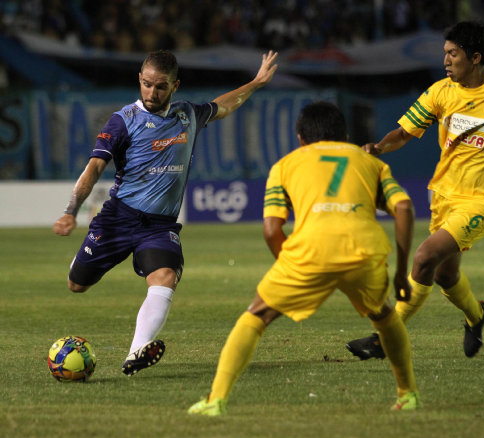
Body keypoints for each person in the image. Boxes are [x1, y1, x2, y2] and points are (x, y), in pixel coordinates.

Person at [53, 49, 278, 376]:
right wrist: (70, 210)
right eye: (146, 84)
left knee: (165, 277)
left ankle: (135, 354)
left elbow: (226, 104)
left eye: (160, 87)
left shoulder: (188, 114)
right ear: (139, 80)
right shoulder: (123, 121)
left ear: (175, 85)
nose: (152, 93)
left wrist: (256, 82)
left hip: (158, 226)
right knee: (77, 284)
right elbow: (94, 168)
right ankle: (84, 262)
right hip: (118, 218)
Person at [188, 101, 420, 416]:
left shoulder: (285, 165)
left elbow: (272, 229)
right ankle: (408, 395)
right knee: (384, 315)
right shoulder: (369, 161)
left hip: (308, 252)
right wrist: (401, 271)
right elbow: (404, 208)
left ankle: (216, 400)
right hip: (363, 250)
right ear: (345, 135)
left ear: (300, 138)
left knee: (257, 314)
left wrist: (291, 264)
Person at [346, 21, 484, 361]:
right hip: (445, 197)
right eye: (445, 53)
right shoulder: (440, 92)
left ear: (475, 57)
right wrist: (379, 148)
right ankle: (476, 314)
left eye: (452, 54)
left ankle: (386, 338)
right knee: (445, 274)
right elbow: (405, 131)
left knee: (424, 257)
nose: (446, 60)